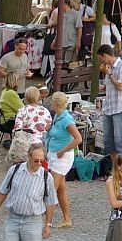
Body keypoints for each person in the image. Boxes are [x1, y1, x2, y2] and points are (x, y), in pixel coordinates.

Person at [44, 91, 81, 228]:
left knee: (51, 189)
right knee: (60, 189)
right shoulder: (57, 116)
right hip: (54, 154)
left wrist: (63, 150)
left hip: (62, 157)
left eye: (52, 102)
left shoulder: (67, 119)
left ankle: (47, 221)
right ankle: (67, 218)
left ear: (56, 104)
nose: (50, 104)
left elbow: (78, 139)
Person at [98, 44, 122, 171]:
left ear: (105, 56)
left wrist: (110, 74)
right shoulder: (108, 68)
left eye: (101, 58)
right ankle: (116, 168)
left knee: (119, 141)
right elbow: (109, 87)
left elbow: (121, 86)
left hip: (121, 107)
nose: (101, 61)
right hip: (109, 108)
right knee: (108, 141)